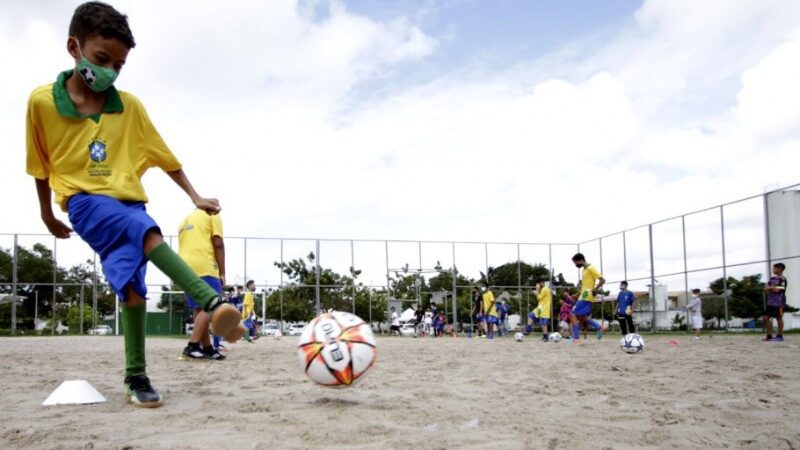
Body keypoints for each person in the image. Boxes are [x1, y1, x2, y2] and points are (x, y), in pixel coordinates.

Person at [25, 2, 243, 408]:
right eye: (101, 59)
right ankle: (212, 302)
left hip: (129, 205)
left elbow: (164, 157)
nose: (110, 70)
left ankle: (136, 376)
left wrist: (194, 195)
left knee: (133, 291)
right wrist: (46, 213)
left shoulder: (129, 106)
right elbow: (39, 166)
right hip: (84, 203)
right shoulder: (42, 103)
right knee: (144, 230)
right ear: (74, 46)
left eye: (119, 65)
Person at [178, 208, 227, 361]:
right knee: (212, 304)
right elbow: (218, 243)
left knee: (199, 308)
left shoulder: (185, 220)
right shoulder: (212, 213)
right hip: (204, 264)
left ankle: (207, 348)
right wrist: (222, 272)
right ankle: (192, 345)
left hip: (182, 266)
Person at [570, 253, 606, 344]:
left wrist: (596, 289)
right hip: (583, 295)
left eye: (576, 262)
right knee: (581, 317)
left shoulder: (591, 268)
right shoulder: (584, 270)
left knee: (572, 314)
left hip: (587, 296)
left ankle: (576, 339)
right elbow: (584, 286)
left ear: (581, 260)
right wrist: (577, 294)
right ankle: (599, 327)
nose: (575, 265)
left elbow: (602, 280)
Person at [763, 263, 787, 342]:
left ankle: (779, 336)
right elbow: (766, 288)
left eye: (775, 268)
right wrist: (772, 287)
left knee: (778, 318)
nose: (773, 270)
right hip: (770, 302)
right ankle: (769, 335)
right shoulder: (772, 279)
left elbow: (778, 290)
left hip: (779, 302)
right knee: (766, 318)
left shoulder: (782, 279)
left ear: (780, 269)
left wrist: (771, 288)